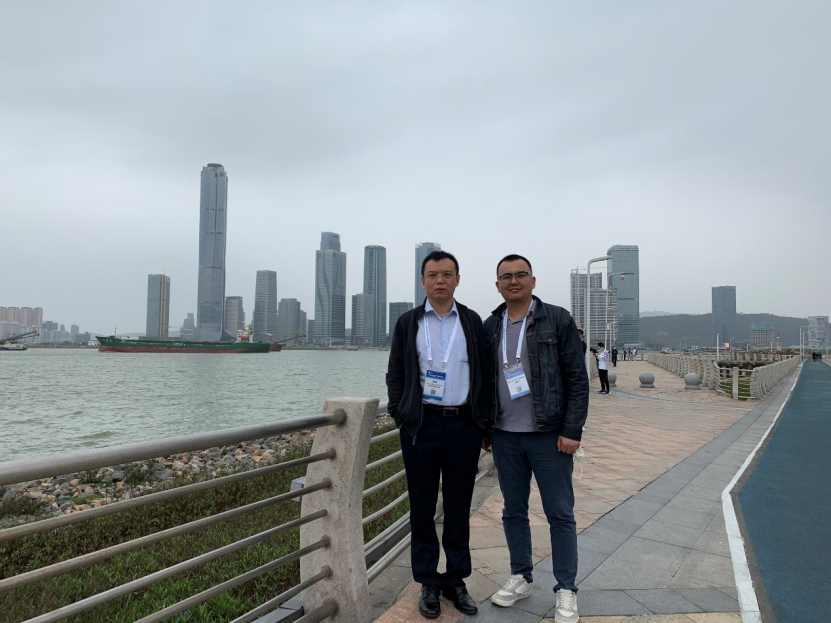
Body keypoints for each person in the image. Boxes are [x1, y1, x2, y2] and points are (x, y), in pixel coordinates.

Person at [482, 254, 589, 623]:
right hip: (505, 435)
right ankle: (521, 577)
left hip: (549, 435)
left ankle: (566, 589)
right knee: (513, 510)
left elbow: (577, 378)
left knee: (559, 513)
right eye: (506, 276)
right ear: (497, 285)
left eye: (520, 274)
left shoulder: (556, 319)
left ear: (533, 280)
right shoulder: (490, 325)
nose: (513, 281)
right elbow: (484, 382)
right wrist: (484, 428)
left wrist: (572, 430)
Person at [386, 250, 488, 619]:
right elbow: (396, 373)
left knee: (459, 507)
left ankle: (456, 580)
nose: (440, 280)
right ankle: (428, 581)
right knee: (422, 509)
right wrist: (399, 415)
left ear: (457, 279)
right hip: (420, 428)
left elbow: (486, 374)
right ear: (423, 281)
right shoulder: (408, 322)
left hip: (463, 426)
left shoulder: (472, 322)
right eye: (433, 274)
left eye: (447, 274)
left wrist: (483, 423)